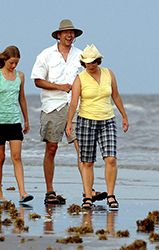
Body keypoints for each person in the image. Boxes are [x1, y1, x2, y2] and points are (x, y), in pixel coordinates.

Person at [31, 19, 106, 204]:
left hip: (78, 107)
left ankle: (88, 192)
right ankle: (50, 191)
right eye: (65, 32)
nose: (69, 35)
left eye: (72, 32)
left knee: (83, 149)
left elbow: (92, 75)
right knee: (52, 147)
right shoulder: (46, 55)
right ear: (58, 35)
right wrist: (59, 87)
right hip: (52, 106)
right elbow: (37, 80)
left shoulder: (81, 56)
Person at [66, 44, 129, 210]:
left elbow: (115, 95)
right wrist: (68, 123)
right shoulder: (80, 78)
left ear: (98, 61)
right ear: (83, 63)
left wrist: (124, 115)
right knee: (87, 161)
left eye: (93, 61)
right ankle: (88, 197)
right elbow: (74, 103)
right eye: (87, 62)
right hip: (86, 121)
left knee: (111, 158)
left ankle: (111, 195)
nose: (90, 65)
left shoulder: (109, 74)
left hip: (107, 120)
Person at [0, 45, 34, 204]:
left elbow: (22, 99)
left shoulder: (20, 76)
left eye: (16, 63)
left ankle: (22, 192)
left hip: (14, 121)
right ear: (5, 60)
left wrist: (26, 119)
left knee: (17, 157)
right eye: (12, 62)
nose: (14, 66)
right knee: (0, 158)